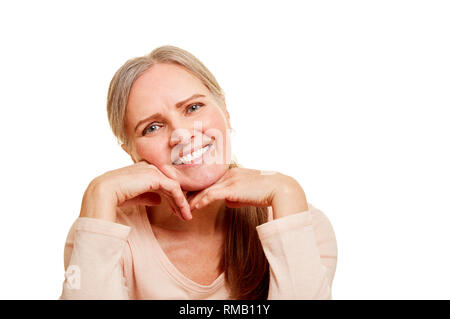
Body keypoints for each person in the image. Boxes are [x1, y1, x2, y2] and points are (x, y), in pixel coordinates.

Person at [59, 45, 338, 300]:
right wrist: (98, 193)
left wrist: (288, 194)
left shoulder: (301, 222)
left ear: (225, 111)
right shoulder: (103, 230)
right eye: (152, 127)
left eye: (193, 107)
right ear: (131, 153)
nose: (181, 134)